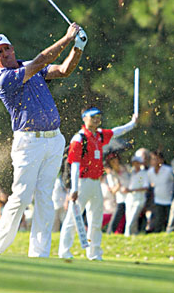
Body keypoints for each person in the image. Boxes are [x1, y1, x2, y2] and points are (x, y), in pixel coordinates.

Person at [0, 22, 86, 257]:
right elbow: (41, 61)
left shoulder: (28, 66)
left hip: (53, 140)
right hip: (28, 143)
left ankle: (39, 253)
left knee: (45, 197)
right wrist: (67, 38)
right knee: (20, 197)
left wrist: (78, 47)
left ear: (12, 48)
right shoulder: (4, 79)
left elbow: (63, 71)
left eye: (6, 48)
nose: (5, 54)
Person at [58, 107, 137, 260]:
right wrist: (73, 188)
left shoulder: (99, 135)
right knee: (73, 218)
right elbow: (74, 164)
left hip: (95, 183)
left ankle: (94, 253)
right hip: (81, 183)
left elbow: (116, 131)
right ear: (84, 118)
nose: (96, 119)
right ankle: (64, 251)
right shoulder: (79, 138)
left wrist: (132, 123)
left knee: (96, 219)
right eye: (93, 116)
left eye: (98, 116)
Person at [147, 151, 174, 233]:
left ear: (161, 160)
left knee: (169, 220)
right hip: (158, 200)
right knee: (158, 220)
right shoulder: (150, 172)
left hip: (170, 200)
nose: (154, 161)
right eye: (152, 159)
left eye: (156, 159)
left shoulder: (169, 170)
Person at [123, 155, 149, 236]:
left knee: (132, 219)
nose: (135, 164)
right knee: (129, 219)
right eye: (134, 163)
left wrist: (132, 190)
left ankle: (126, 235)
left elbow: (146, 187)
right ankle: (134, 235)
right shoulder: (130, 173)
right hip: (129, 199)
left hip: (139, 199)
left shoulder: (144, 173)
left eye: (137, 163)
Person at [105, 151, 130, 234]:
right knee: (117, 217)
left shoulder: (126, 168)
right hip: (121, 199)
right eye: (112, 161)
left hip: (130, 197)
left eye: (115, 160)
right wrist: (118, 186)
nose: (115, 162)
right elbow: (112, 191)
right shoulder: (110, 175)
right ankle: (110, 232)